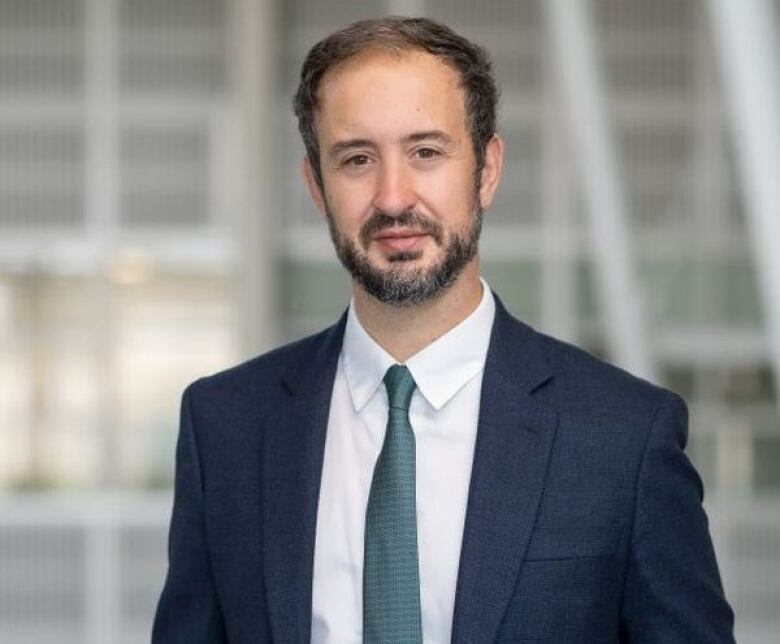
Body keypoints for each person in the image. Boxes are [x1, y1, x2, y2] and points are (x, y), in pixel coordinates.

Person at [152, 16, 735, 644]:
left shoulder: (624, 437)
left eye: (426, 152)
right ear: (316, 187)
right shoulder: (224, 427)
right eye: (356, 159)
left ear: (486, 169)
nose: (394, 197)